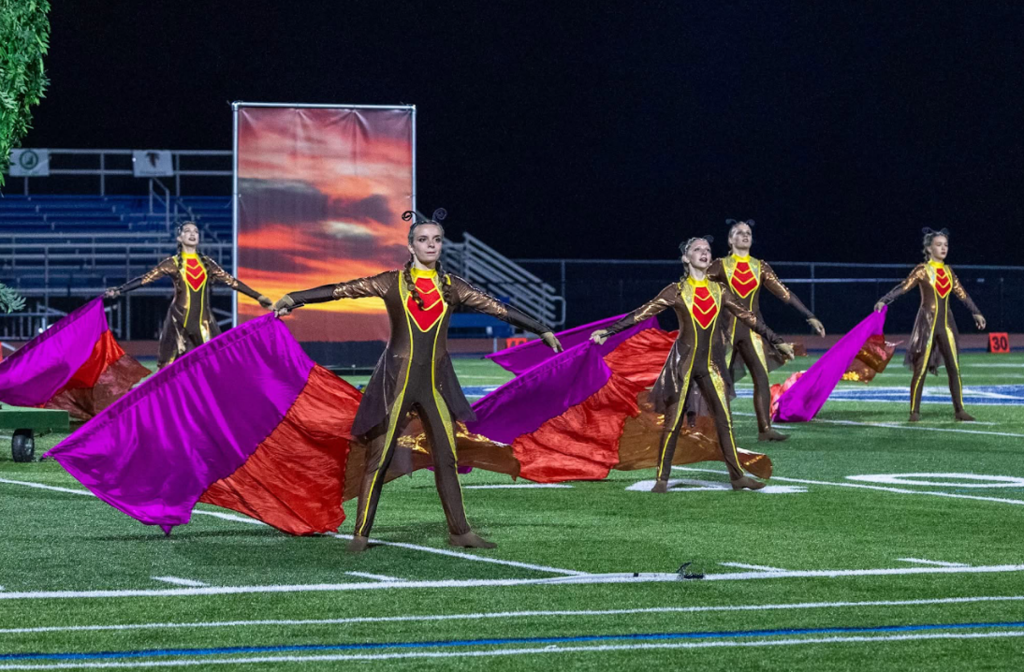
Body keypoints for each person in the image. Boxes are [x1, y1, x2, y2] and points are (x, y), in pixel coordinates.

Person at [273, 209, 563, 552]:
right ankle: (361, 535)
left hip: (435, 385)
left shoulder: (454, 286)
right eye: (423, 240)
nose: (431, 245)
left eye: (436, 240)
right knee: (378, 459)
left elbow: (496, 308)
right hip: (394, 382)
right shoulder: (390, 282)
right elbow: (342, 290)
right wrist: (296, 298)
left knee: (447, 457)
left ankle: (460, 532)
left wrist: (540, 328)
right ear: (411, 246)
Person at [591, 235, 794, 492]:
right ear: (686, 258)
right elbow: (641, 313)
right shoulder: (675, 291)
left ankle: (737, 477)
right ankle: (662, 479)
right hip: (683, 365)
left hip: (711, 366)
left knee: (724, 420)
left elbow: (749, 317)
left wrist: (776, 341)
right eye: (697, 249)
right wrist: (606, 332)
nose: (704, 253)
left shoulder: (720, 290)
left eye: (707, 250)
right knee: (673, 422)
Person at [707, 219, 825, 441]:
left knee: (760, 378)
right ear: (730, 240)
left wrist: (809, 316)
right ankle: (714, 429)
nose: (745, 236)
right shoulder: (719, 265)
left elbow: (785, 294)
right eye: (739, 233)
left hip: (753, 332)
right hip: (725, 332)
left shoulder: (760, 267)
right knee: (719, 380)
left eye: (748, 233)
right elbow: (699, 289)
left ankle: (765, 429)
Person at [105, 221, 273, 368]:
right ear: (179, 238)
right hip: (178, 321)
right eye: (188, 231)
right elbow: (146, 279)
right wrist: (120, 290)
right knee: (168, 366)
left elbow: (232, 282)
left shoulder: (207, 263)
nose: (192, 234)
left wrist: (258, 297)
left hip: (204, 321)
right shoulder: (172, 263)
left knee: (216, 362)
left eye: (196, 231)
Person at [874, 228, 985, 422]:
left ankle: (960, 410)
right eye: (939, 245)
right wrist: (885, 299)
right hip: (927, 324)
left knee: (954, 367)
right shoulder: (922, 270)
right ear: (928, 248)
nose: (943, 248)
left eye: (946, 245)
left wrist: (976, 312)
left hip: (947, 325)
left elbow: (962, 294)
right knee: (921, 367)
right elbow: (904, 286)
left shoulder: (949, 271)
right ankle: (914, 412)